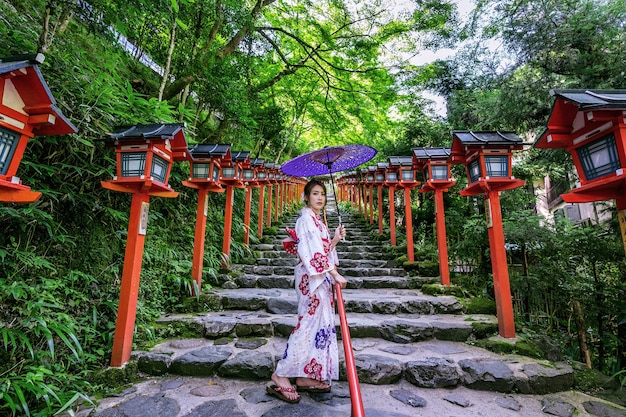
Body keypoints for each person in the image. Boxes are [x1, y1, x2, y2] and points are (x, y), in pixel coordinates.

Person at [267, 179, 347, 403]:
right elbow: (310, 252)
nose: (320, 197)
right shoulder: (305, 220)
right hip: (312, 280)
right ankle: (281, 374)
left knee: (318, 327)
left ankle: (305, 376)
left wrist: (335, 240)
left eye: (322, 194)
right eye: (315, 193)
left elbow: (321, 250)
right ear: (306, 197)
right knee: (307, 326)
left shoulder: (318, 221)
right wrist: (335, 274)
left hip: (320, 279)